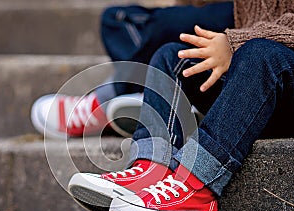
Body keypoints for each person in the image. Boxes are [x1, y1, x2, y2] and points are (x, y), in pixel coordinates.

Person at [68, 0, 294, 211]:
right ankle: (150, 170)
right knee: (171, 56)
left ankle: (195, 189)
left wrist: (236, 43)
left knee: (260, 54)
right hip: (260, 82)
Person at [31, 1, 234, 138]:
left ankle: (110, 99)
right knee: (116, 20)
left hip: (243, 28)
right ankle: (153, 94)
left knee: (139, 24)